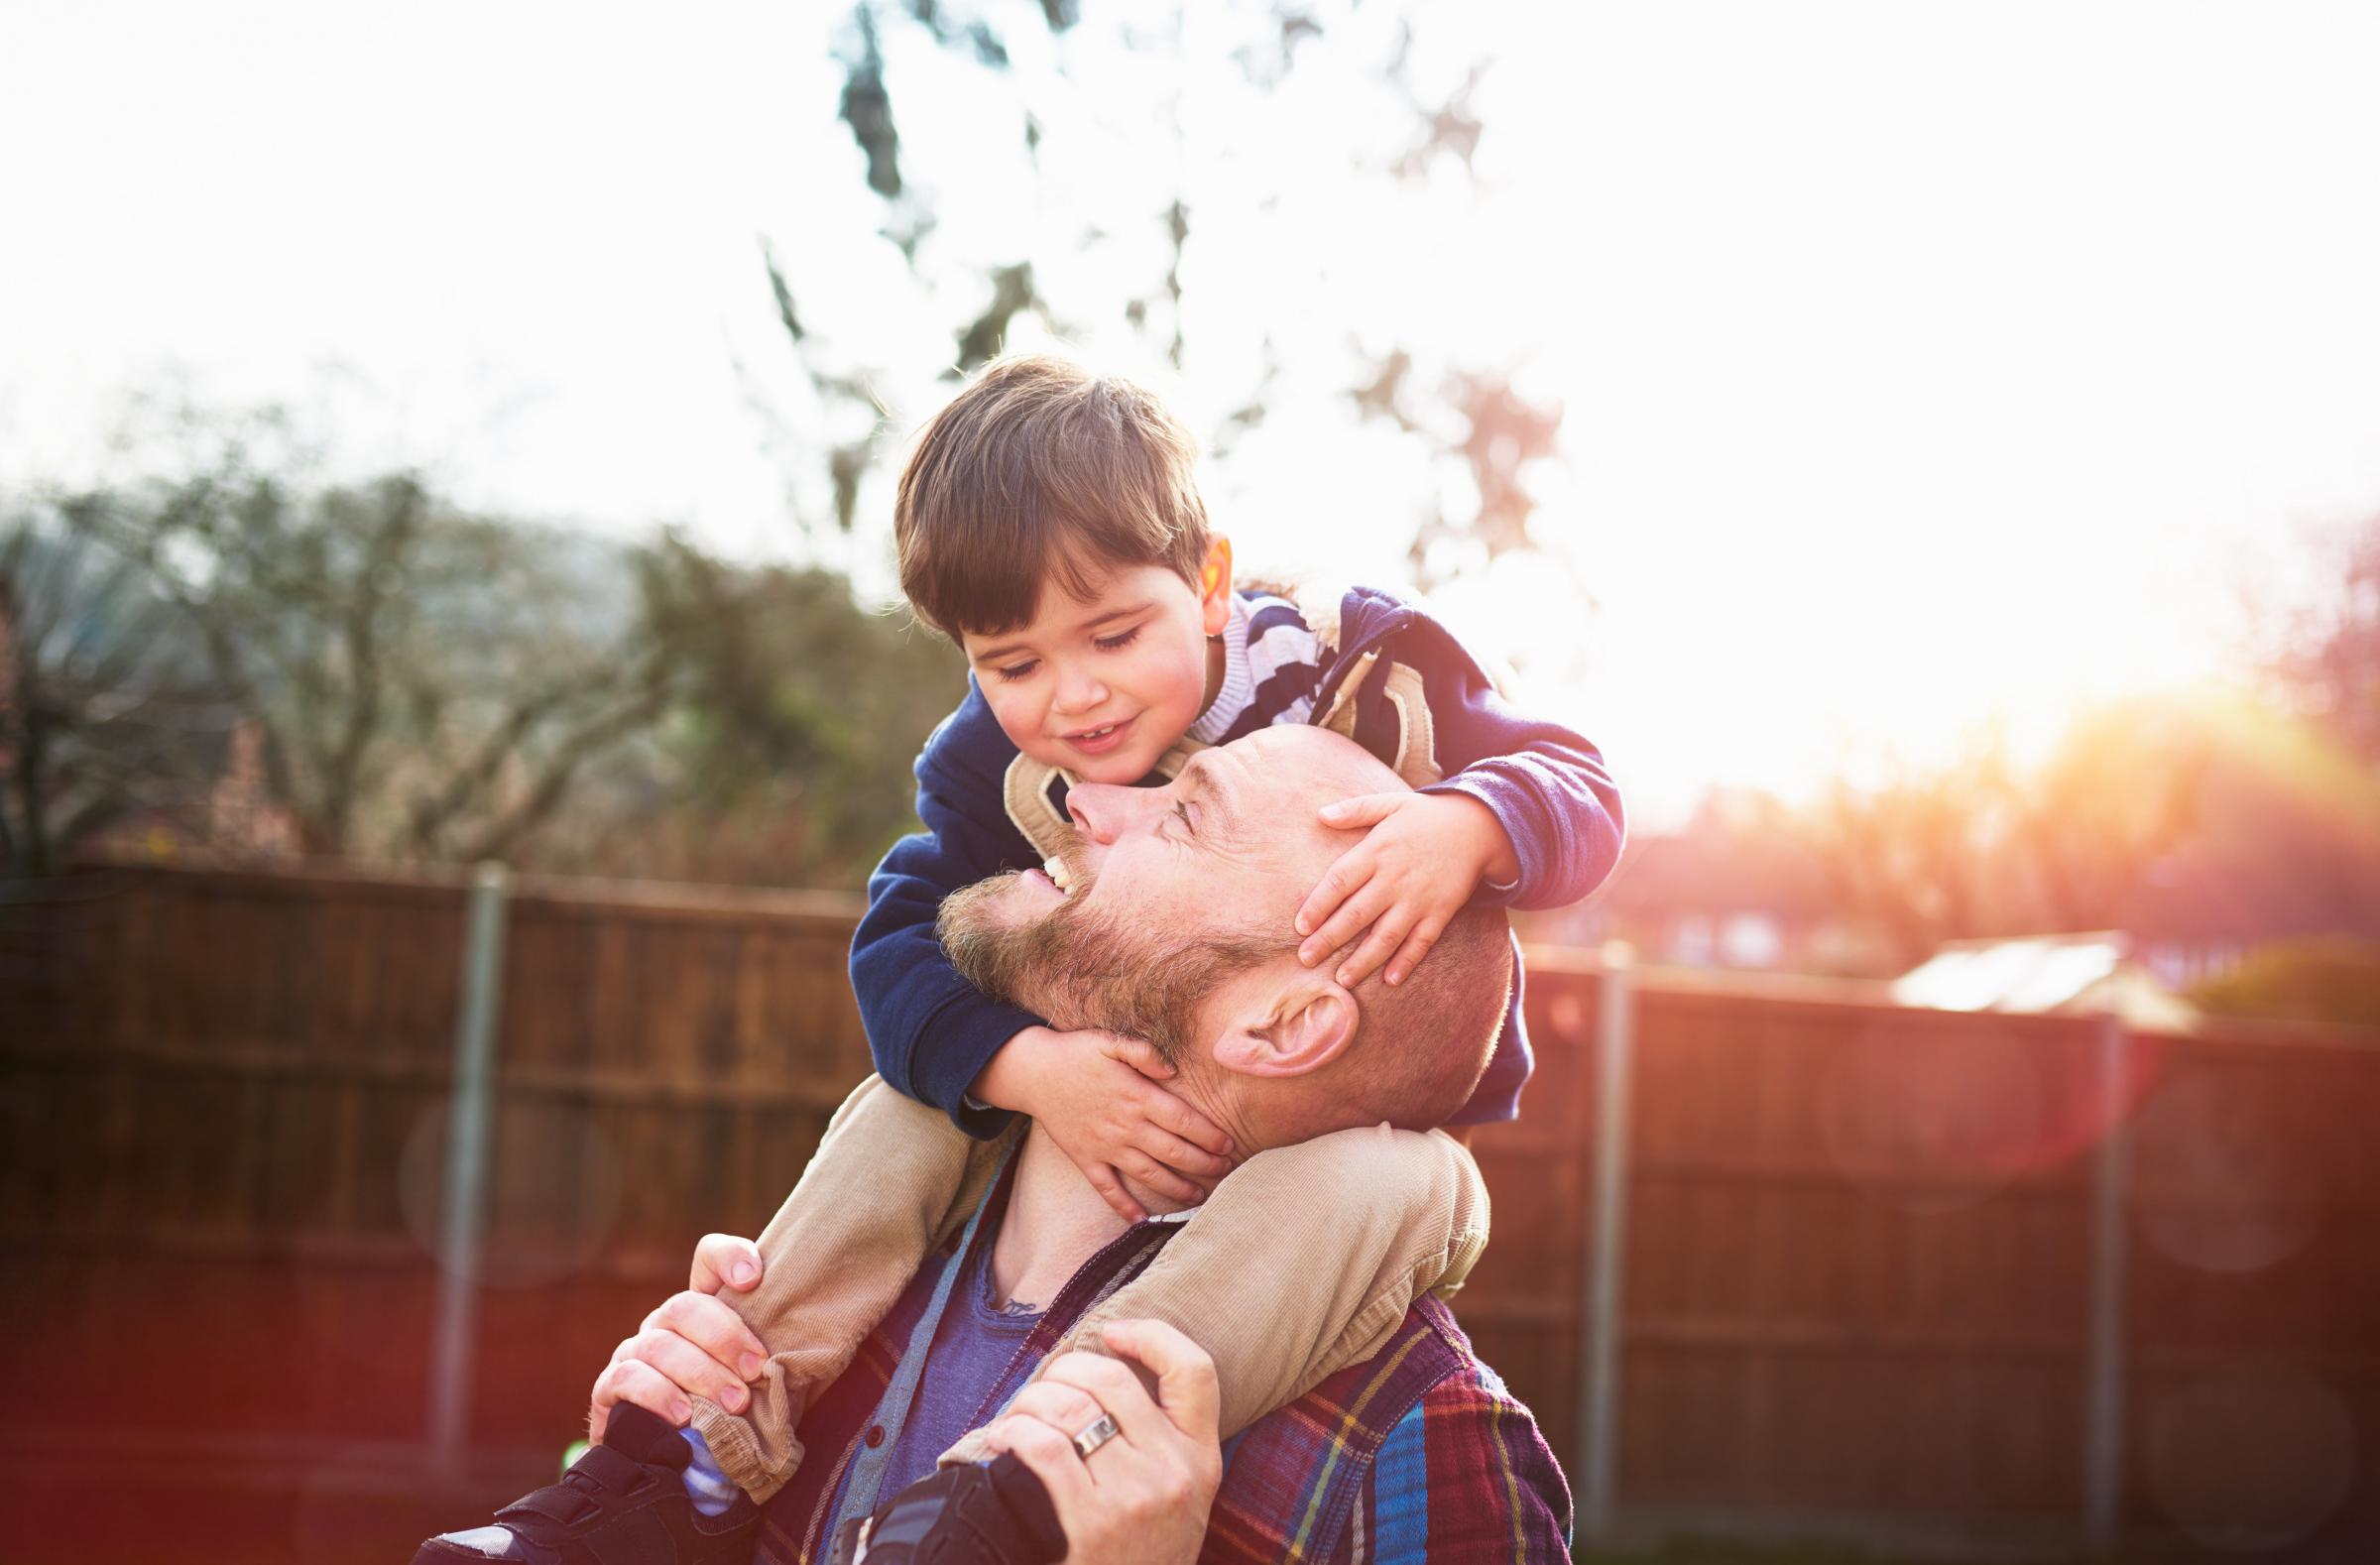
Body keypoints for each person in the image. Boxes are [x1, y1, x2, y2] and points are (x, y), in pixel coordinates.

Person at [417, 356, 1621, 1563]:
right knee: (909, 1097)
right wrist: (1025, 1066)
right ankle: (692, 1451)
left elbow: (1579, 777)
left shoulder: (1361, 661)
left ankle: (1060, 1458)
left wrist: (1473, 823)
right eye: (1014, 664)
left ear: (1211, 581)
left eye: (1112, 635)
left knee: (1384, 1185)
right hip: (1032, 1082)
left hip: (1386, 1128)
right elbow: (899, 944)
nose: (1077, 709)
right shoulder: (989, 769)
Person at [430, 728, 1575, 1564]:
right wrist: (690, 1514)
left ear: (1281, 1026)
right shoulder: (848, 1295)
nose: (1088, 801)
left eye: (1182, 812)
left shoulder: (1419, 1443)